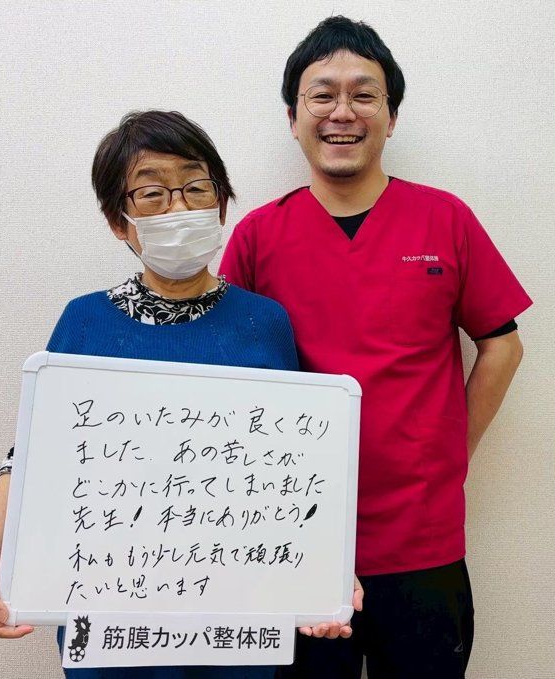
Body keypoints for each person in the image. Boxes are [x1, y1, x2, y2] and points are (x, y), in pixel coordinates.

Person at [219, 16, 533, 679]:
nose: (343, 112)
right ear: (293, 117)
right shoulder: (257, 235)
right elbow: (229, 379)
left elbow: (502, 345)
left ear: (391, 117)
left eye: (364, 94)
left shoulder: (445, 219)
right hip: (295, 540)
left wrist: (451, 451)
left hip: (422, 540)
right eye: (322, 95)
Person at [0, 110, 300, 678]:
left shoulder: (265, 322)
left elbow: (289, 466)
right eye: (151, 193)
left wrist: (322, 571)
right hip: (110, 616)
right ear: (118, 222)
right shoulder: (85, 322)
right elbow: (31, 452)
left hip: (234, 615)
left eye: (196, 187)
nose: (179, 208)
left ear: (221, 203)